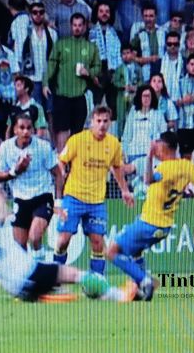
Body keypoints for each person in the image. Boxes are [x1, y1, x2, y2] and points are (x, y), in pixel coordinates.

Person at [108, 131, 194, 301]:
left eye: (158, 145)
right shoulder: (188, 166)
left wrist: (149, 157)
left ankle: (145, 281)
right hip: (165, 227)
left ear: (164, 148)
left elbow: (148, 180)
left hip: (149, 223)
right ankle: (141, 289)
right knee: (136, 252)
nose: (156, 148)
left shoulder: (164, 168)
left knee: (111, 251)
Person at [0, 202, 131, 304]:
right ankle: (120, 296)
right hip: (27, 270)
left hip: (15, 288)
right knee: (75, 274)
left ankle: (56, 292)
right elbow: (4, 215)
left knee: (55, 282)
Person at [53, 106, 134, 275]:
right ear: (91, 122)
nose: (102, 125)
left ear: (110, 123)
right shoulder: (77, 140)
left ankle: (97, 281)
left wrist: (125, 190)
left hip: (97, 201)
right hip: (73, 197)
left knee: (98, 242)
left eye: (105, 121)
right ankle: (56, 278)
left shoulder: (113, 144)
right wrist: (61, 172)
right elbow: (61, 161)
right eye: (98, 121)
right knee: (63, 240)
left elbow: (117, 168)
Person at [0, 114, 61, 257]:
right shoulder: (6, 148)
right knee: (20, 248)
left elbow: (58, 173)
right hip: (20, 199)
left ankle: (40, 267)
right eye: (22, 128)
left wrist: (59, 199)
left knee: (35, 237)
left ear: (33, 130)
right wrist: (15, 171)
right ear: (15, 130)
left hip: (42, 196)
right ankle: (29, 275)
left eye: (29, 128)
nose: (25, 131)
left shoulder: (43, 147)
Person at [43, 12, 101, 152]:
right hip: (62, 94)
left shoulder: (91, 47)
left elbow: (98, 67)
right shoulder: (61, 44)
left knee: (78, 131)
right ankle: (62, 162)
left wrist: (89, 73)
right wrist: (45, 83)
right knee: (62, 129)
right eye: (74, 25)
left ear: (85, 26)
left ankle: (75, 163)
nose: (77, 28)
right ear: (70, 26)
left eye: (80, 25)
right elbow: (51, 64)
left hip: (80, 95)